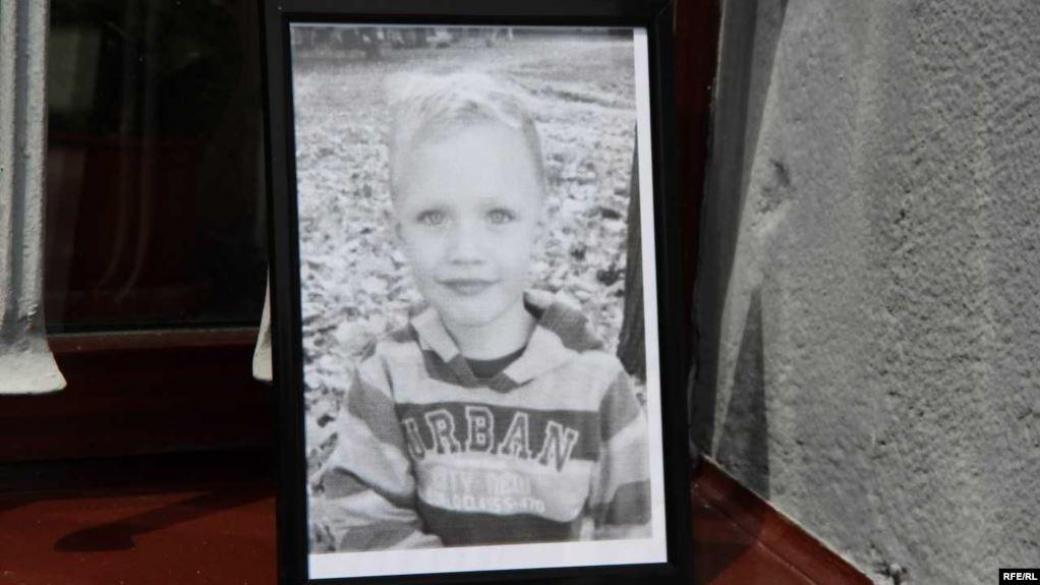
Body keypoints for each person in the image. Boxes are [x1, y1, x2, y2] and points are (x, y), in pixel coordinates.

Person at [317, 72, 650, 551]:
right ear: (400, 230)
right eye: (434, 216)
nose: (465, 250)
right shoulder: (385, 379)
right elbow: (367, 522)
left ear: (540, 224)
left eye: (498, 216)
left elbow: (634, 533)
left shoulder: (597, 384)